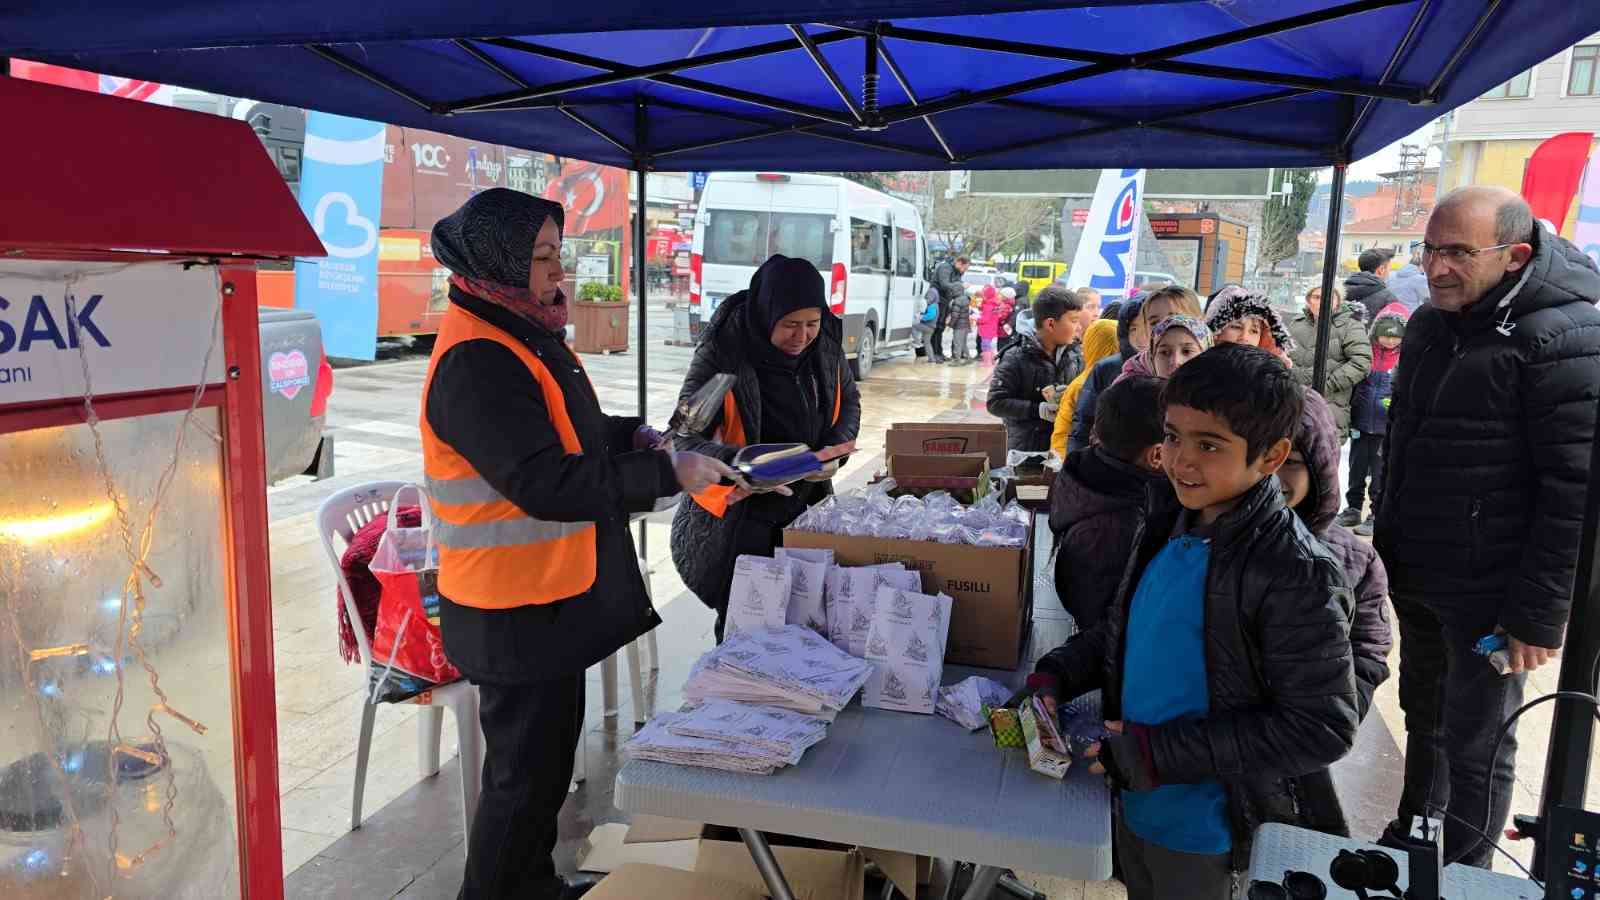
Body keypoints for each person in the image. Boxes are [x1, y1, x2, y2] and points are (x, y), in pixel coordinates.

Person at [421, 190, 733, 900]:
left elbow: (566, 429)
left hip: (543, 597)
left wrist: (632, 436)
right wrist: (666, 473)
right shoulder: (478, 359)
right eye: (541, 257)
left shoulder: (519, 331)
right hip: (508, 608)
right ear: (498, 262)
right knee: (521, 782)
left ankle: (531, 886)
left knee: (541, 773)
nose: (557, 271)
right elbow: (542, 480)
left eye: (557, 253)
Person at [1030, 344, 1357, 897]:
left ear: (1272, 457)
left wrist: (1155, 754)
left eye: (1209, 445)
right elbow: (1133, 628)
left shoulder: (1294, 572)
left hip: (1211, 834)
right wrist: (1060, 671)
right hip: (1135, 800)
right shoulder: (1166, 519)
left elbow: (1321, 725)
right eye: (1173, 436)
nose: (1180, 460)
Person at [1373, 186, 1600, 867]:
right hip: (1419, 570)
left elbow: (1575, 493)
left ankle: (1464, 874)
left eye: (1458, 253)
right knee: (1424, 715)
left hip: (1493, 592)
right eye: (1429, 250)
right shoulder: (1430, 324)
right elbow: (1404, 441)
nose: (1437, 267)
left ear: (1515, 255)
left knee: (1478, 742)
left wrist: (1538, 615)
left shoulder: (1565, 338)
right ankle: (1414, 837)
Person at [670, 255, 862, 639]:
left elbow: (850, 404)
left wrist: (832, 452)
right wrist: (745, 466)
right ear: (766, 314)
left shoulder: (826, 348)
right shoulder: (725, 354)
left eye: (812, 323)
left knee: (807, 623)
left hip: (808, 507)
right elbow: (684, 436)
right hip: (742, 518)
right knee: (746, 628)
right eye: (790, 324)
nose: (802, 336)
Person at [1278, 387, 1393, 722]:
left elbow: (1367, 648)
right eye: (1258, 459)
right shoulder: (1206, 537)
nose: (1271, 476)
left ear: (1320, 467)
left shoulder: (1354, 560)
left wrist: (1338, 714)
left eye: (1291, 462)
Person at [1047, 376, 1168, 630]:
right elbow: (1101, 620)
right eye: (1177, 439)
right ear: (1157, 455)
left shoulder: (1089, 469)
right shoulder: (1118, 527)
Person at [987, 286, 1084, 452]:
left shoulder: (1075, 354)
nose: (1079, 327)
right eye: (1074, 321)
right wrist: (1038, 409)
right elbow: (995, 402)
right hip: (1026, 449)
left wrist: (1071, 394)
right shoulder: (1015, 357)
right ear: (1050, 324)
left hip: (1063, 446)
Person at [1340, 303, 1408, 534]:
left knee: (1380, 473)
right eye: (1385, 335)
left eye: (1395, 337)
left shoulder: (1404, 360)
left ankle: (1375, 514)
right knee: (1356, 469)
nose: (1389, 341)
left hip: (1384, 429)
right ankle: (1352, 509)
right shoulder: (1366, 355)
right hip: (1360, 424)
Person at [1287, 285, 1371, 444]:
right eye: (1316, 297)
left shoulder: (1350, 325)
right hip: (1293, 408)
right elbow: (1283, 356)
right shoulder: (1296, 324)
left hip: (1329, 408)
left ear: (1338, 301)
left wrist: (1328, 384)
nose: (1322, 301)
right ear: (1308, 300)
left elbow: (1362, 362)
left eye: (1329, 297)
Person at [1069, 295, 1147, 453]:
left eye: (1149, 326)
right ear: (1124, 332)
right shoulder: (1107, 368)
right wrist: (1074, 462)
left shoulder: (1175, 367)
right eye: (1134, 328)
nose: (1142, 336)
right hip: (1108, 460)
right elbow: (1083, 424)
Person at [1049, 319, 1119, 457]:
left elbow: (1063, 433)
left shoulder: (1081, 383)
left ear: (1090, 345)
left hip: (1075, 458)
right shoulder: (1122, 379)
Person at [1115, 285, 1205, 383]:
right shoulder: (1129, 383)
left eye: (1175, 318)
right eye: (1154, 322)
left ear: (1199, 322)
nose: (1164, 327)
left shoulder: (1214, 374)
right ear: (1145, 329)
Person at [1204, 286, 1296, 367]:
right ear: (1216, 331)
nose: (1244, 337)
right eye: (1236, 327)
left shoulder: (1266, 378)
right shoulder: (1199, 370)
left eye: (1254, 331)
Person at [929, 255, 968, 363]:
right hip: (938, 299)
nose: (964, 271)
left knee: (941, 327)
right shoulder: (945, 268)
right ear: (959, 263)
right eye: (964, 268)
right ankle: (935, 353)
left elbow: (955, 285)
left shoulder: (957, 271)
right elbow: (944, 284)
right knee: (936, 327)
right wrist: (960, 285)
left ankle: (939, 352)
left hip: (946, 300)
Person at [1345, 249, 1400, 323]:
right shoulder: (1388, 299)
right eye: (1389, 269)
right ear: (1381, 269)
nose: (1389, 273)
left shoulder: (1341, 292)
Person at [1387, 245, 1429, 311]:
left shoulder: (1392, 275)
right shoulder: (1419, 279)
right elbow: (1427, 298)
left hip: (1392, 311)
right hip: (1410, 313)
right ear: (1421, 265)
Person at [948, 284, 977, 364]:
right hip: (966, 325)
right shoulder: (965, 298)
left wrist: (950, 325)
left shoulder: (957, 300)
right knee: (963, 343)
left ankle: (957, 360)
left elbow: (955, 315)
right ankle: (968, 358)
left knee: (957, 343)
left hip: (959, 326)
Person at [911, 283, 939, 361]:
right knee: (927, 343)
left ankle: (917, 342)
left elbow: (930, 316)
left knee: (914, 326)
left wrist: (920, 317)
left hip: (927, 326)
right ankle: (931, 358)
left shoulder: (932, 306)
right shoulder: (936, 305)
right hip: (931, 327)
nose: (927, 299)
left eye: (928, 297)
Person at [977, 284, 1003, 365]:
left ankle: (987, 362)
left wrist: (977, 319)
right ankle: (992, 361)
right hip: (992, 327)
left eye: (984, 294)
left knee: (985, 345)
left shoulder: (988, 305)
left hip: (986, 329)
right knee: (989, 345)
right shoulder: (994, 304)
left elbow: (985, 319)